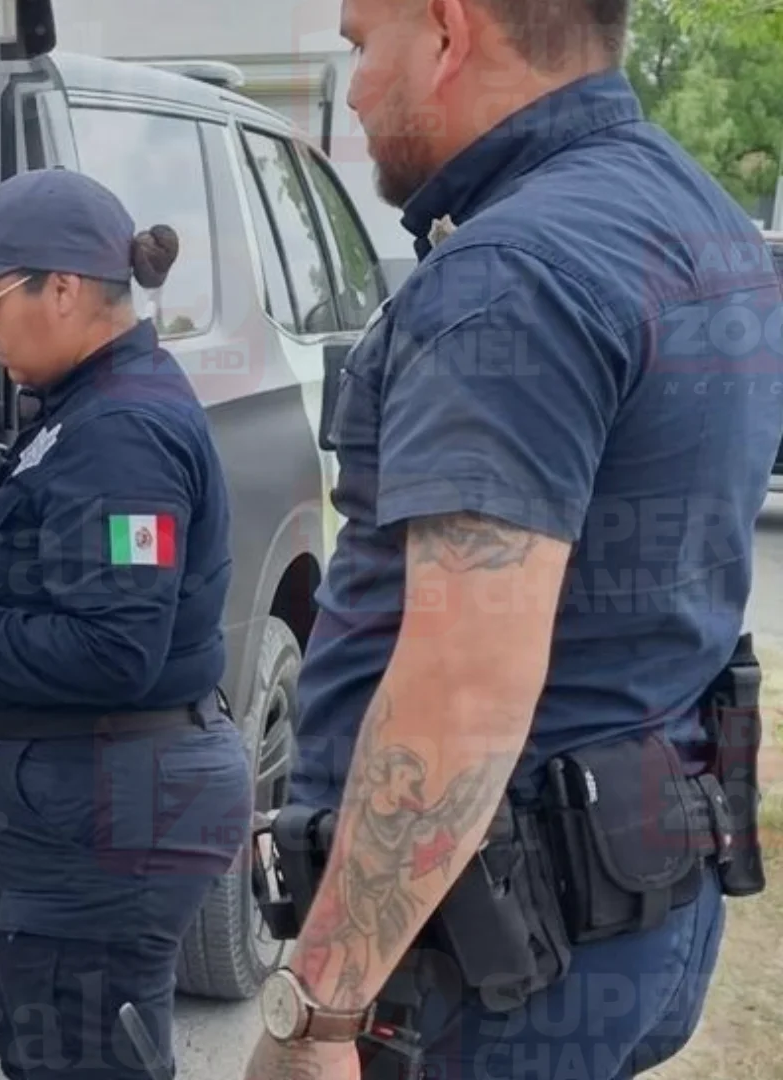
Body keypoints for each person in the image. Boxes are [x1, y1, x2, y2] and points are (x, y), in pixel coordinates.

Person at [243, 1, 783, 1077]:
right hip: (634, 918)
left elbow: (463, 684)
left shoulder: (511, 274)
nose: (352, 90)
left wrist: (320, 1010)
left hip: (487, 976)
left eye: (360, 45)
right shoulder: (702, 220)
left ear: (447, 31)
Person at [0, 168, 255, 1080]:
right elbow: (65, 577)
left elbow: (115, 649)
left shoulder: (119, 433)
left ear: (66, 289)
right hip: (90, 798)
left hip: (110, 811)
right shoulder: (86, 407)